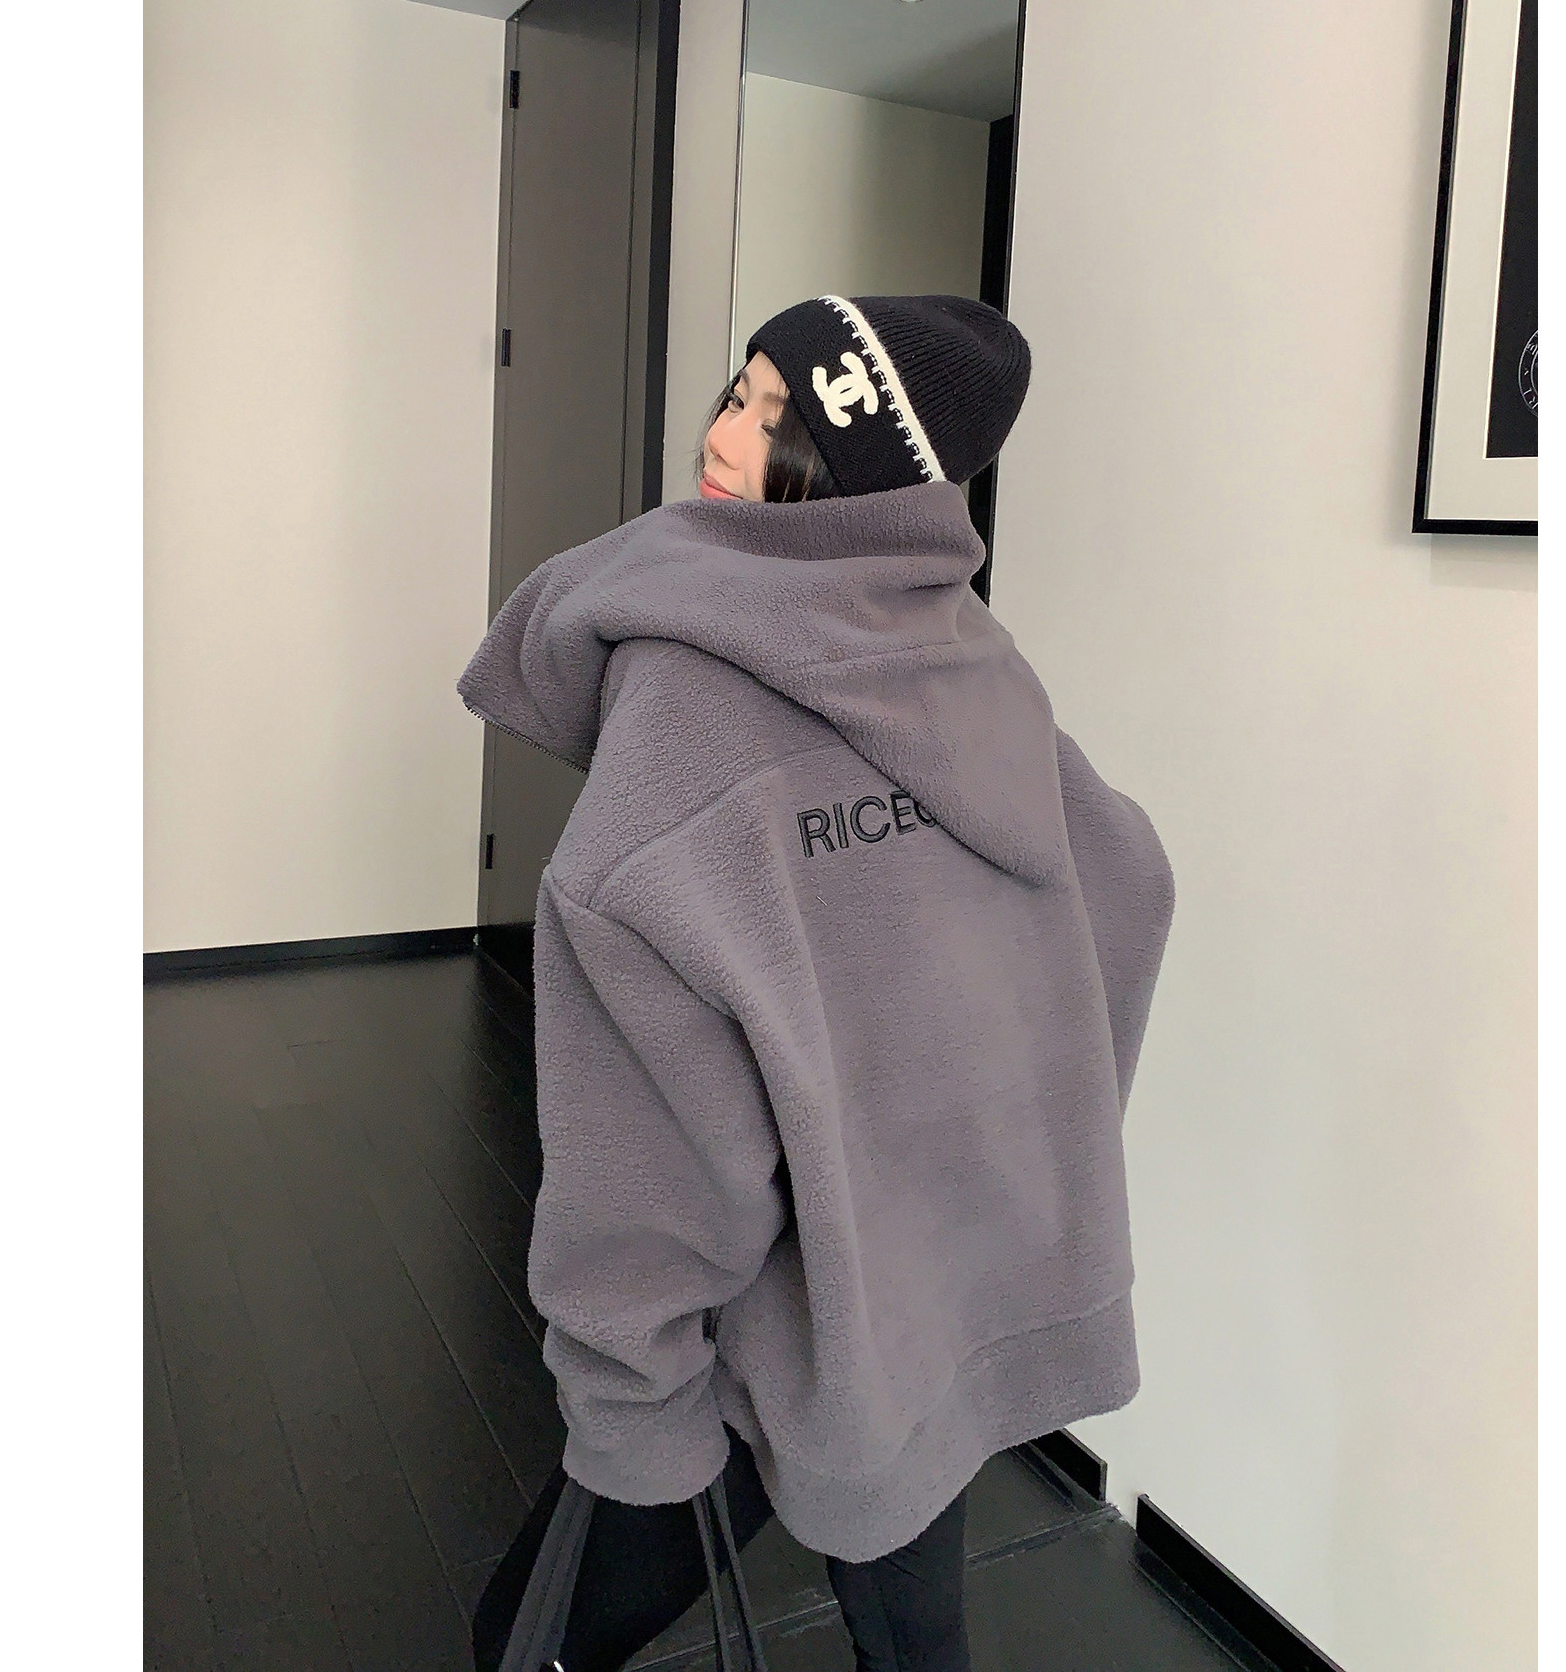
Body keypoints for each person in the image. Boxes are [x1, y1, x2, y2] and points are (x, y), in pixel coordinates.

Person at [460, 294, 1176, 1671]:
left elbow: (649, 1143)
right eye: (737, 395)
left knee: (524, 1639)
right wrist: (985, 1154)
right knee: (909, 1620)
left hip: (760, 1334)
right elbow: (1125, 879)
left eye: (779, 423)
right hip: (926, 1296)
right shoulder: (965, 652)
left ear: (858, 471)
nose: (725, 440)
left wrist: (634, 1398)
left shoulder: (687, 691)